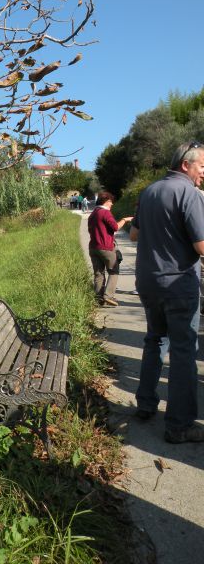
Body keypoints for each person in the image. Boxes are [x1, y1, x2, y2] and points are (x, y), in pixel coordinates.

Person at [130, 141, 204, 443]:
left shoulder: (149, 191)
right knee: (184, 351)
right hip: (178, 284)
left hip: (148, 282)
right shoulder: (189, 192)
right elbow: (201, 245)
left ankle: (145, 404)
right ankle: (179, 425)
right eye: (201, 166)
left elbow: (133, 234)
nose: (203, 173)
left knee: (155, 340)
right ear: (186, 165)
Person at [88, 191, 133, 307]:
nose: (112, 204)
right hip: (106, 247)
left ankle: (98, 298)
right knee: (114, 271)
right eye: (110, 201)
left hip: (93, 247)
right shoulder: (105, 213)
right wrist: (124, 220)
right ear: (106, 202)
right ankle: (108, 296)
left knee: (98, 273)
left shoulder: (93, 213)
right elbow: (115, 227)